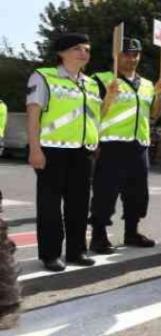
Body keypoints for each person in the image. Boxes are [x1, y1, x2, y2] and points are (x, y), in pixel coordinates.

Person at [26, 33, 105, 271]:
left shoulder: (91, 83)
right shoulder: (43, 76)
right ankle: (50, 254)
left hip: (83, 152)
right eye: (78, 49)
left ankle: (76, 251)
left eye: (87, 49)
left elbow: (94, 117)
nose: (84, 53)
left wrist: (96, 142)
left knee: (79, 204)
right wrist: (35, 149)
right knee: (50, 205)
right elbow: (33, 115)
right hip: (52, 150)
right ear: (61, 53)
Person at [87, 38, 161, 254]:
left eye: (135, 55)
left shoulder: (148, 84)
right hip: (111, 144)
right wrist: (109, 97)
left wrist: (159, 94)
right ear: (116, 55)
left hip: (139, 145)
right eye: (126, 54)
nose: (131, 59)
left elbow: (155, 114)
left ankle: (132, 232)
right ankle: (99, 235)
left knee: (138, 193)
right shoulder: (102, 80)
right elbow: (94, 115)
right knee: (106, 192)